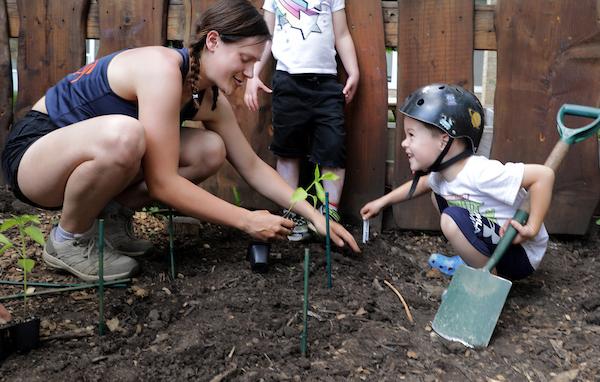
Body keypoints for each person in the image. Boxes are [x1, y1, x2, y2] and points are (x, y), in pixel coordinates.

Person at [1, 0, 359, 283]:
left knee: (210, 150)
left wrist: (315, 216)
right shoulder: (161, 69)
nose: (250, 72)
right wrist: (246, 220)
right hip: (35, 154)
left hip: (81, 163)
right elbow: (163, 183)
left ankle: (109, 223)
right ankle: (67, 239)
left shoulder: (207, 98)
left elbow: (251, 166)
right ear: (214, 41)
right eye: (245, 59)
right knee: (126, 136)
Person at [360, 84, 555, 280]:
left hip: (520, 252)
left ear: (443, 140)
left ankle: (487, 283)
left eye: (411, 135)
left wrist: (532, 228)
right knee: (438, 196)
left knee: (452, 218)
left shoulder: (480, 172)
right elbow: (423, 184)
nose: (404, 143)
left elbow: (544, 176)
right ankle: (473, 260)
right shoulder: (443, 176)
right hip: (497, 242)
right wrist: (382, 202)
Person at [244, 0, 359, 241]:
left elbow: (342, 34)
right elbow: (267, 36)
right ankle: (293, 212)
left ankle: (330, 213)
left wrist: (353, 71)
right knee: (288, 152)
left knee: (333, 147)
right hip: (288, 83)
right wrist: (253, 74)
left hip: (326, 84)